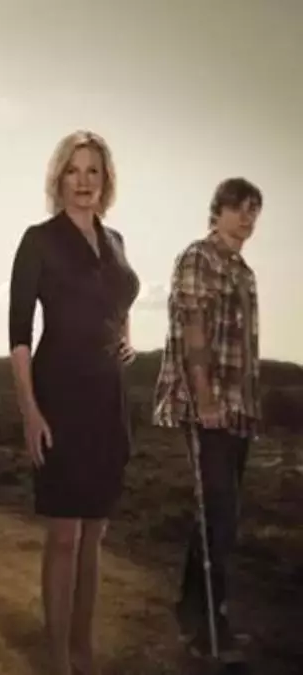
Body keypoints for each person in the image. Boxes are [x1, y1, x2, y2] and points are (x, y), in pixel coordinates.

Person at [8, 130, 140, 674]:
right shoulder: (38, 240)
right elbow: (19, 336)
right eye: (73, 170)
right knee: (65, 534)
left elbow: (118, 302)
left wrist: (126, 339)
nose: (83, 181)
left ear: (105, 180)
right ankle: (58, 659)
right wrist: (29, 411)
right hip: (58, 395)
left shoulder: (117, 241)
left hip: (108, 400)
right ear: (58, 179)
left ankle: (84, 654)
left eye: (93, 170)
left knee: (95, 534)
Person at [152, 177, 264, 664]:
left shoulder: (245, 273)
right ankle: (209, 632)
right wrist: (205, 398)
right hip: (207, 407)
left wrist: (246, 408)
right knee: (218, 517)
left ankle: (191, 612)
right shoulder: (199, 258)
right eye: (238, 208)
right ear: (217, 212)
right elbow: (193, 328)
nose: (247, 218)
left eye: (254, 210)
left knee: (218, 515)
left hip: (238, 409)